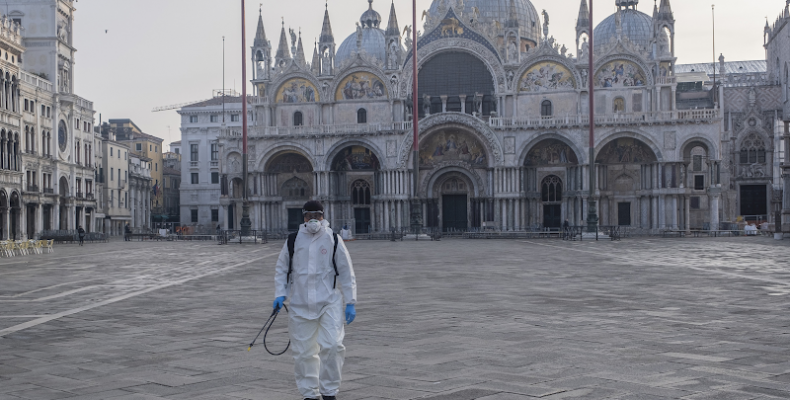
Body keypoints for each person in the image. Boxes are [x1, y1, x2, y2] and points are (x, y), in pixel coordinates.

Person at [273, 200, 357, 400]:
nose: (313, 220)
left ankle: (329, 392)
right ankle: (310, 394)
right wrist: (279, 293)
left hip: (329, 302)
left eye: (316, 215)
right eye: (309, 215)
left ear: (323, 216)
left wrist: (351, 301)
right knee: (304, 352)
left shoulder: (333, 238)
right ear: (303, 217)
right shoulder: (293, 240)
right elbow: (282, 268)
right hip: (300, 304)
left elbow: (346, 271)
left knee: (333, 346)